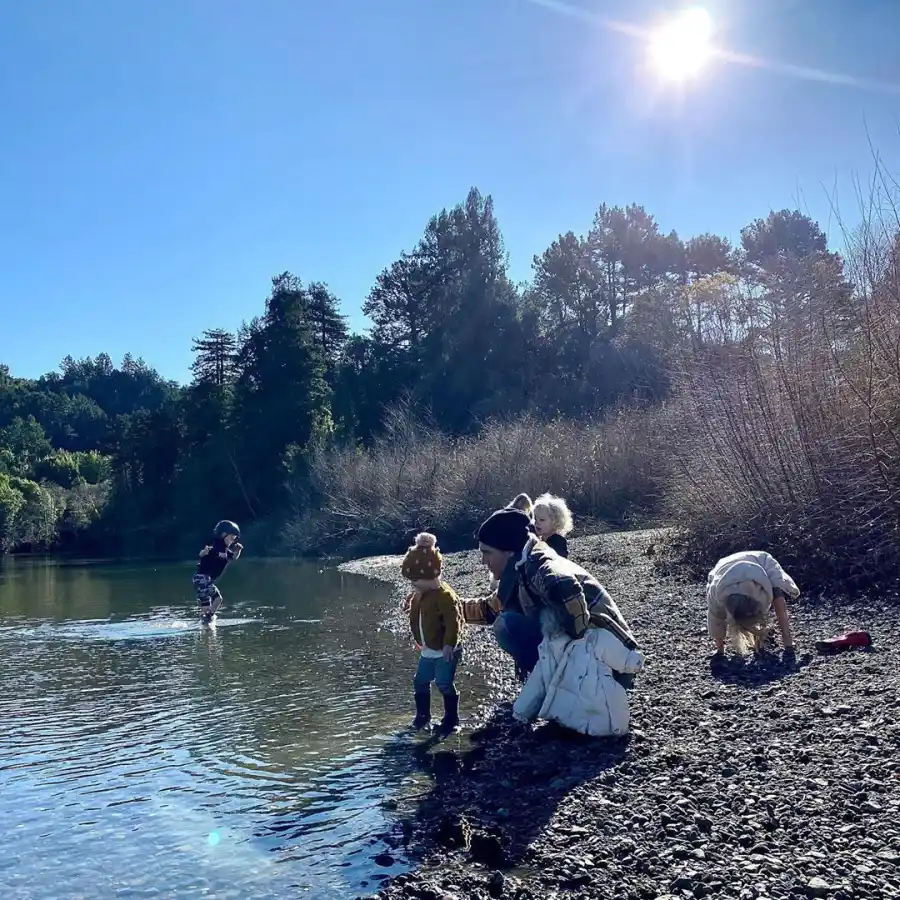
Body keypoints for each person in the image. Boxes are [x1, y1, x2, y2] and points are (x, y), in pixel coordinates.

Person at [462, 508, 637, 685]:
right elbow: (490, 609)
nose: (483, 561)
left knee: (507, 625)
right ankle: (553, 683)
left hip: (615, 662)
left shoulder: (538, 564)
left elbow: (566, 587)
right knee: (510, 619)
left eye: (487, 552)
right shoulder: (518, 567)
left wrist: (578, 641)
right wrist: (446, 605)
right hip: (603, 658)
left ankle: (564, 685)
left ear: (508, 551)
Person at [401, 532, 464, 737]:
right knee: (420, 681)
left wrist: (449, 645)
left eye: (415, 581)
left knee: (444, 683)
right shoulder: (421, 593)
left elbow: (454, 623)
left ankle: (451, 718)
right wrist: (409, 601)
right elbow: (417, 604)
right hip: (428, 648)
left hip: (445, 649)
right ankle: (423, 716)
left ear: (431, 576)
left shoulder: (445, 596)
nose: (413, 585)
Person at [706, 550, 799, 656]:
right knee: (716, 610)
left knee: (777, 594)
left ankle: (787, 641)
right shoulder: (715, 592)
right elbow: (715, 616)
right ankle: (759, 641)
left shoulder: (762, 594)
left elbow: (769, 607)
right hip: (723, 567)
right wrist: (720, 649)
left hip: (762, 561)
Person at [193, 520, 243, 621]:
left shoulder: (226, 551)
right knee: (218, 599)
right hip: (202, 578)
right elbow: (202, 553)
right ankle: (209, 616)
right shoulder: (214, 548)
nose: (232, 541)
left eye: (234, 539)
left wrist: (238, 550)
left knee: (206, 604)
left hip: (202, 580)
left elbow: (233, 557)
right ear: (223, 535)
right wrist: (204, 552)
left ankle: (206, 622)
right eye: (231, 538)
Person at [487, 493, 534, 593]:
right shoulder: (521, 517)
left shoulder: (504, 512)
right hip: (507, 544)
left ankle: (494, 586)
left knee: (498, 566)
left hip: (497, 542)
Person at [532, 492, 573, 559]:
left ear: (555, 521)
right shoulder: (538, 539)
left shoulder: (558, 542)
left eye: (542, 520)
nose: (537, 523)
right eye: (535, 519)